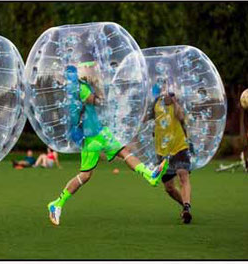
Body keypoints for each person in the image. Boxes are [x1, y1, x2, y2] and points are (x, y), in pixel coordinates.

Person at [47, 61, 168, 226]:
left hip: (102, 132)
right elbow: (97, 101)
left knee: (124, 151)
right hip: (91, 138)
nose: (95, 72)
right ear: (85, 72)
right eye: (92, 70)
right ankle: (57, 203)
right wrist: (99, 87)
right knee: (85, 175)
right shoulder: (81, 88)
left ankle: (150, 176)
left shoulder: (87, 86)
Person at [151, 89, 193, 224]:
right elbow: (147, 120)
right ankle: (185, 206)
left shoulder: (177, 103)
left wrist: (175, 102)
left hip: (180, 146)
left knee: (183, 175)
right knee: (169, 188)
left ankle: (187, 207)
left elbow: (181, 117)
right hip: (162, 151)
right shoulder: (155, 103)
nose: (166, 93)